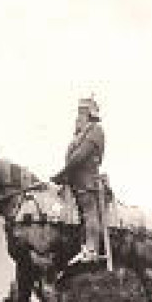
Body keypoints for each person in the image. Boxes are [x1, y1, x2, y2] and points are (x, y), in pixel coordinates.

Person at [52, 95, 112, 269]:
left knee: (89, 212)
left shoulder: (95, 131)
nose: (79, 115)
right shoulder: (79, 134)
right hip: (73, 180)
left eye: (82, 112)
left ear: (90, 114)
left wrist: (63, 172)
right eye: (79, 111)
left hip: (87, 180)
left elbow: (80, 156)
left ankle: (92, 249)